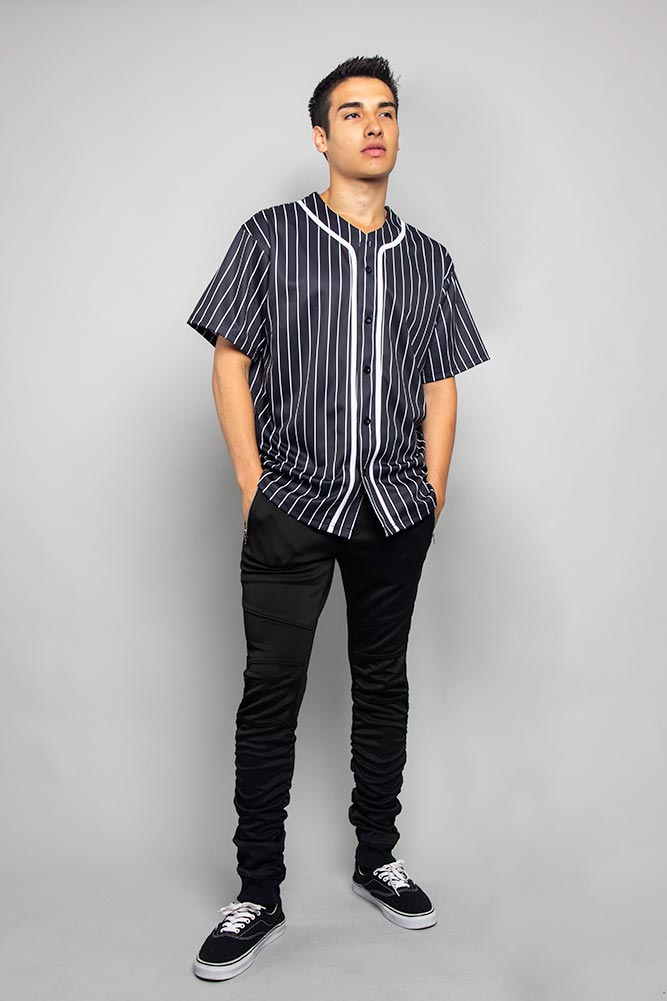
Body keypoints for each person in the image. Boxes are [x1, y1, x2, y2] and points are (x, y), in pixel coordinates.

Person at [185, 54, 491, 981]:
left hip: (395, 507)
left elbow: (440, 381)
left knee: (381, 683)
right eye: (352, 113)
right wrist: (253, 484)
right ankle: (257, 891)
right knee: (270, 693)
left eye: (385, 111)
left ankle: (376, 858)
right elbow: (229, 359)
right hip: (293, 502)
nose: (372, 125)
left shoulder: (428, 258)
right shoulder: (269, 237)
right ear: (321, 137)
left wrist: (432, 487)